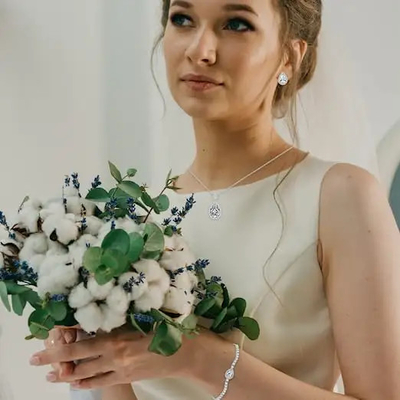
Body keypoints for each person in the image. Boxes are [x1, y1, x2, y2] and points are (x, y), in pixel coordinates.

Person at [30, 0, 400, 399]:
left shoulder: (339, 196)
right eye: (183, 19)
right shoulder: (133, 220)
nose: (200, 50)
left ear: (291, 56)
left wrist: (199, 359)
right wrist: (95, 352)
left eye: (236, 24)